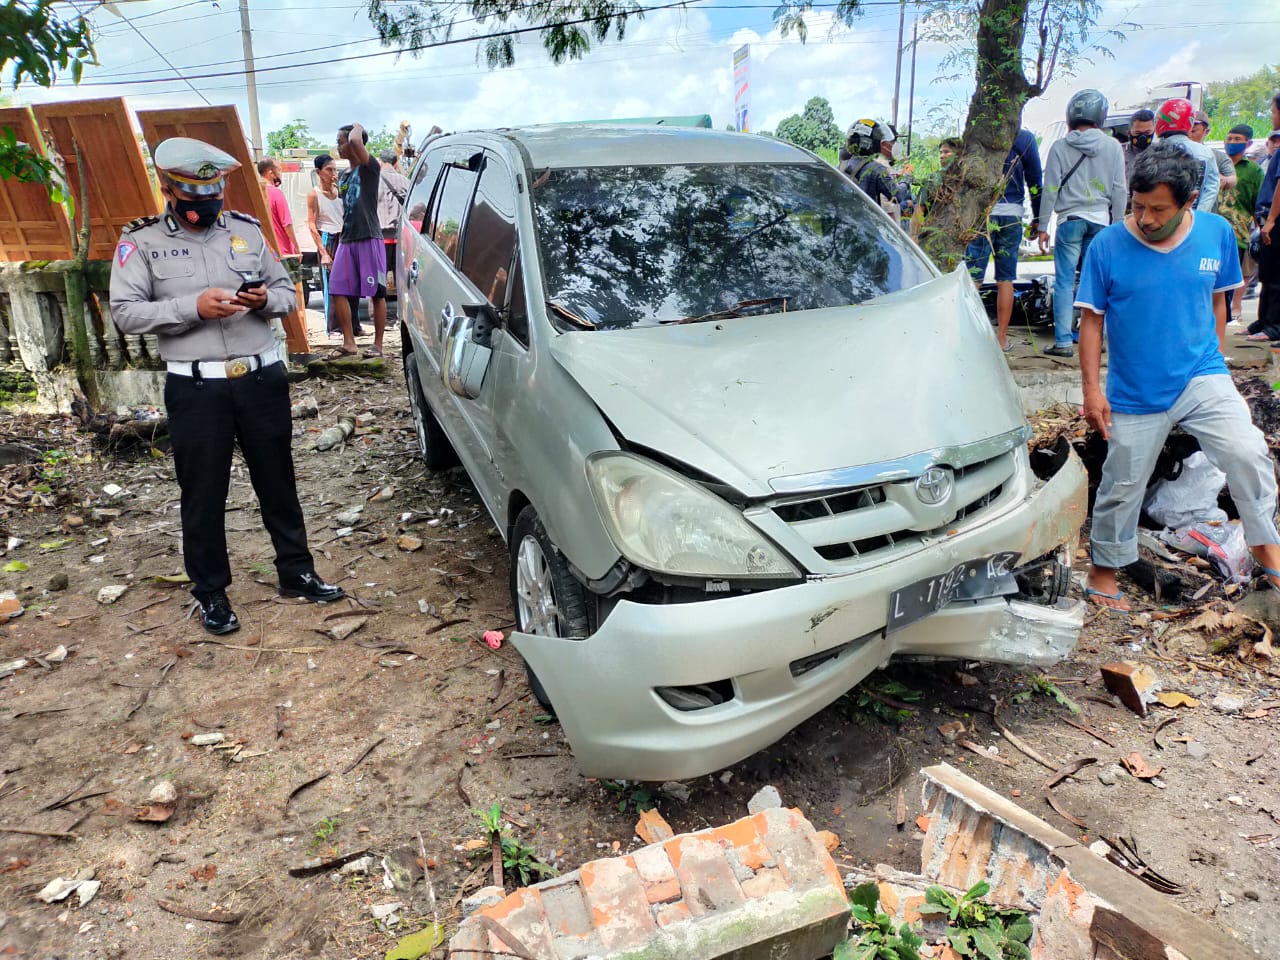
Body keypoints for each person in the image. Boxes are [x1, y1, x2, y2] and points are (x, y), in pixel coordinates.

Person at [110, 137, 345, 634]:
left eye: (213, 195)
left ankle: (297, 571)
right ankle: (212, 592)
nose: (207, 207)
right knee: (203, 492)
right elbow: (126, 313)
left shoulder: (246, 230)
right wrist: (190, 308)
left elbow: (284, 289)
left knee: (278, 480)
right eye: (194, 198)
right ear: (169, 189)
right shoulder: (142, 242)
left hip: (260, 377)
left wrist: (264, 300)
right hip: (197, 390)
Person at [1075, 142, 1280, 611]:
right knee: (1122, 482)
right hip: (1136, 387)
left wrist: (1217, 358)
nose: (1145, 218)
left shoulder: (1216, 234)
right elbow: (1092, 320)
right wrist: (1092, 389)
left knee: (1247, 451)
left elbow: (1218, 302)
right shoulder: (1108, 246)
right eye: (1138, 206)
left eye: (1158, 209)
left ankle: (1266, 549)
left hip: (1202, 373)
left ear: (1189, 201)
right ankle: (1104, 569)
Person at [1037, 88, 1127, 357]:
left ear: (1069, 118)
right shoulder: (1112, 146)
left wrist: (1042, 226)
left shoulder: (1060, 146)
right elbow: (1120, 189)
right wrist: (1119, 224)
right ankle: (1094, 340)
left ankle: (1064, 342)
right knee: (1096, 283)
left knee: (1064, 282)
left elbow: (1050, 188)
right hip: (1101, 221)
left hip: (1069, 220)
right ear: (1100, 117)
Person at [964, 127, 1042, 351]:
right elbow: (1035, 179)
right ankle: (1001, 338)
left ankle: (968, 337)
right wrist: (1037, 217)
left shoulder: (979, 132)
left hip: (982, 214)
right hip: (1012, 215)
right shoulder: (1025, 138)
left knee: (974, 277)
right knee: (1006, 278)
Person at [329, 122, 385, 359]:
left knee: (377, 292)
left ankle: (379, 345)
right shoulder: (344, 174)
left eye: (340, 142)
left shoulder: (369, 166)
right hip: (348, 237)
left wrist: (358, 127)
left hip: (369, 236)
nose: (338, 146)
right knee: (337, 288)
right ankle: (349, 342)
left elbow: (355, 141)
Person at [305, 154, 362, 338]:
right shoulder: (314, 194)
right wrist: (323, 252)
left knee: (353, 283)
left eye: (334, 169)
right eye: (328, 169)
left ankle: (354, 325)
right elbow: (312, 224)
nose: (332, 173)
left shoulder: (340, 191)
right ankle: (334, 327)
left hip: (345, 237)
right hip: (328, 238)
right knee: (332, 285)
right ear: (319, 172)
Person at [1223, 125, 1262, 323]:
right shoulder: (1218, 163)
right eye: (1229, 138)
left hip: (1240, 233)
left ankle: (1234, 307)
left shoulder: (1254, 170)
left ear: (1248, 143)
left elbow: (1259, 203)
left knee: (1239, 273)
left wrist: (1260, 231)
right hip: (1217, 230)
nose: (1231, 142)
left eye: (1237, 139)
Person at [1154, 98, 1219, 213]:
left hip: (1162, 219)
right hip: (1194, 219)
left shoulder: (1155, 150)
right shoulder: (1206, 153)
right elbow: (1211, 189)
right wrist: (1199, 216)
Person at [1251, 95, 1280, 343]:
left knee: (1276, 275)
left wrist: (1271, 220)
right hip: (1269, 216)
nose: (1272, 116)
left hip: (1276, 218)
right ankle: (1263, 321)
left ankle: (1274, 326)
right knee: (1267, 274)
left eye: (1273, 112)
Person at [840, 119, 902, 219]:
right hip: (867, 226)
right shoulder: (877, 169)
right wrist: (906, 179)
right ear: (872, 144)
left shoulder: (841, 166)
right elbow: (897, 195)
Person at [377, 150, 411, 298]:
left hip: (378, 238)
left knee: (379, 277)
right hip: (400, 238)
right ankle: (402, 315)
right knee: (402, 279)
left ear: (380, 162)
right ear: (395, 163)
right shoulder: (405, 181)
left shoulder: (372, 181)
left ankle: (377, 316)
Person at [911, 137, 960, 239]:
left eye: (946, 152)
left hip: (937, 236)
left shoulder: (933, 179)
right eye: (940, 153)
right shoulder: (966, 180)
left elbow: (919, 211)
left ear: (958, 154)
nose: (942, 156)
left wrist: (913, 236)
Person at [1189, 110, 1237, 203]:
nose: (1189, 134)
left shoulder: (1217, 156)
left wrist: (1224, 180)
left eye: (1193, 131)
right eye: (1186, 130)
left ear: (1206, 131)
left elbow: (1232, 179)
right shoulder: (1174, 153)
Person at [256, 157, 299, 256]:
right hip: (281, 251)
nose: (281, 173)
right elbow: (287, 224)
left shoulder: (255, 194)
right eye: (279, 170)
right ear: (271, 173)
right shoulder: (276, 193)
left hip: (263, 251)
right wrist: (296, 247)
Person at [1122, 109, 1156, 182]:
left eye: (1147, 132)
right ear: (1128, 133)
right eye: (1138, 133)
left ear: (1154, 131)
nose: (1143, 137)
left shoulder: (1162, 154)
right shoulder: (1118, 152)